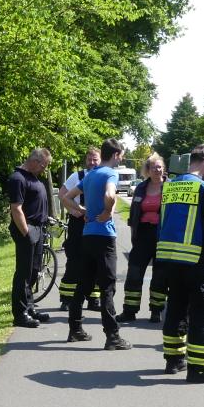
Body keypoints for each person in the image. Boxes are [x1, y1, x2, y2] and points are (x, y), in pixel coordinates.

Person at [156, 144, 204, 382]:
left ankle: (174, 359)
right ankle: (200, 368)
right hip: (198, 261)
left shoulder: (169, 187)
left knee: (176, 308)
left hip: (171, 259)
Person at [63, 138, 132, 350]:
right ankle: (112, 337)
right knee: (107, 287)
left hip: (87, 235)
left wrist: (80, 211)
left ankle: (75, 330)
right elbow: (111, 194)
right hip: (104, 237)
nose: (121, 158)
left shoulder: (90, 174)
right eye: (121, 155)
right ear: (116, 155)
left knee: (83, 285)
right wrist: (106, 212)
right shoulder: (111, 173)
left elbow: (66, 197)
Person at [115, 154, 168, 324]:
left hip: (162, 236)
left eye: (159, 166)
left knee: (160, 275)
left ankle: (156, 311)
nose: (157, 170)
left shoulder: (171, 187)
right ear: (148, 170)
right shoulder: (141, 188)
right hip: (142, 234)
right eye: (153, 167)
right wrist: (133, 235)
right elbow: (133, 214)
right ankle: (129, 311)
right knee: (134, 273)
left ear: (163, 168)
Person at [7, 147, 53, 328]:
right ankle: (20, 314)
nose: (45, 169)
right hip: (27, 230)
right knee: (23, 273)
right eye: (44, 165)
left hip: (38, 229)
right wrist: (26, 233)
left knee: (34, 271)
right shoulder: (18, 178)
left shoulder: (33, 178)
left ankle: (30, 307)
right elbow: (16, 208)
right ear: (34, 161)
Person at [58, 147, 102, 312]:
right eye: (89, 159)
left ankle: (93, 299)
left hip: (97, 223)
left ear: (100, 160)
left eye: (95, 159)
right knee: (75, 260)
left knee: (97, 261)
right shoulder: (76, 176)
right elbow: (62, 194)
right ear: (86, 160)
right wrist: (75, 211)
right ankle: (67, 298)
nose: (92, 162)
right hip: (78, 223)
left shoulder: (105, 176)